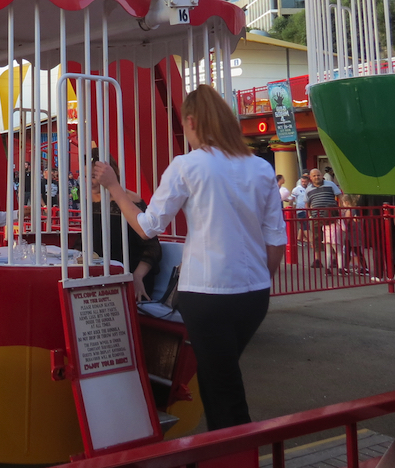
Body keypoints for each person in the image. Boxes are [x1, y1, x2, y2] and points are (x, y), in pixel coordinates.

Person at [93, 85, 286, 431]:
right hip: (254, 296)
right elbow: (276, 241)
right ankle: (219, 447)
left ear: (193, 122)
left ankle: (235, 451)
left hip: (207, 294)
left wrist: (114, 187)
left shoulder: (187, 166)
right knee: (217, 380)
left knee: (223, 388)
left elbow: (147, 226)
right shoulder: (261, 169)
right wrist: (260, 280)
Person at [89, 160, 161, 302]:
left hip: (131, 276)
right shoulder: (89, 200)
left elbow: (152, 246)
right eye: (85, 176)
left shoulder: (132, 200)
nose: (89, 182)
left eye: (93, 176)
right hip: (99, 277)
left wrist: (137, 276)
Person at [305, 168, 341, 269]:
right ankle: (317, 259)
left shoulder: (330, 184)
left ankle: (334, 259)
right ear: (311, 178)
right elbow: (307, 203)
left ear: (322, 175)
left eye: (318, 175)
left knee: (333, 238)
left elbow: (339, 196)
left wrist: (340, 210)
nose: (317, 177)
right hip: (316, 217)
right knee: (316, 237)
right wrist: (310, 215)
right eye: (314, 176)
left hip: (331, 216)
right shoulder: (308, 189)